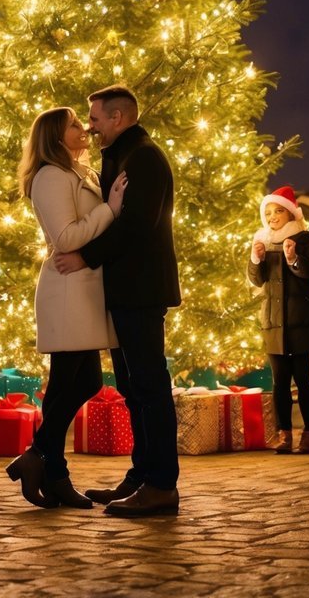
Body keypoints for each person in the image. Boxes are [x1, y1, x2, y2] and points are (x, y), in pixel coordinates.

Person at [54, 85, 181, 517]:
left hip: (141, 290)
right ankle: (141, 476)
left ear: (118, 117)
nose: (89, 126)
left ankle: (162, 485)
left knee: (149, 385)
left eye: (94, 118)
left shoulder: (143, 157)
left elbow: (135, 227)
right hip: (124, 290)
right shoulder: (120, 156)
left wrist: (84, 256)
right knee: (132, 387)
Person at [6, 106, 126, 509]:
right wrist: (109, 208)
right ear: (56, 137)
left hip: (85, 288)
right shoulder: (50, 176)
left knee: (81, 381)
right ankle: (46, 464)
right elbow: (66, 236)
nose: (84, 128)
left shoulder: (79, 172)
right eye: (75, 124)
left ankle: (44, 462)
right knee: (71, 381)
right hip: (68, 289)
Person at [248, 185, 309, 454]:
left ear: (290, 214)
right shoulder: (262, 240)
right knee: (279, 380)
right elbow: (257, 280)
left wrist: (293, 258)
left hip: (299, 320)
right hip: (273, 321)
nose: (272, 216)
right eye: (268, 212)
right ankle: (284, 434)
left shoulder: (303, 237)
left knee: (302, 377)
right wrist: (255, 260)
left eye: (278, 211)